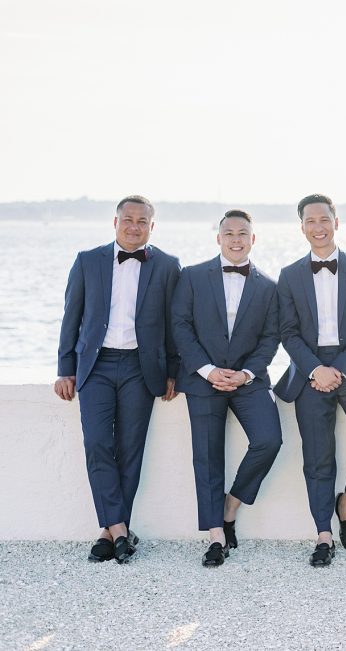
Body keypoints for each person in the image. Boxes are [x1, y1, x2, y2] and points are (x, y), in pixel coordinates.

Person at [54, 195, 180, 564]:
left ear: (152, 227)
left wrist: (173, 370)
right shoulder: (87, 261)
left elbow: (174, 325)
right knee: (96, 442)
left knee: (130, 447)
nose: (134, 226)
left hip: (142, 368)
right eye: (128, 219)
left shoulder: (169, 266)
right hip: (96, 365)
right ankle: (120, 528)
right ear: (115, 222)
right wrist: (65, 368)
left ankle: (108, 532)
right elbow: (71, 317)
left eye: (143, 221)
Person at [274, 194, 346, 566]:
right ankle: (323, 533)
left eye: (324, 219)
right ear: (302, 226)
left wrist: (340, 369)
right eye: (310, 221)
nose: (318, 227)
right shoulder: (289, 276)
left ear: (336, 222)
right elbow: (288, 332)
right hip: (309, 371)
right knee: (317, 458)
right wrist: (314, 369)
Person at [171, 210, 282, 567]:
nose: (236, 239)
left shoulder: (268, 286)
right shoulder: (191, 277)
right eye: (229, 233)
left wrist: (247, 373)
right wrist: (206, 370)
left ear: (253, 239)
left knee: (269, 439)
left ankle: (230, 506)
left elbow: (270, 338)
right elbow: (180, 326)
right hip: (203, 379)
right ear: (218, 238)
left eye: (243, 233)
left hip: (247, 381)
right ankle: (216, 536)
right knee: (207, 454)